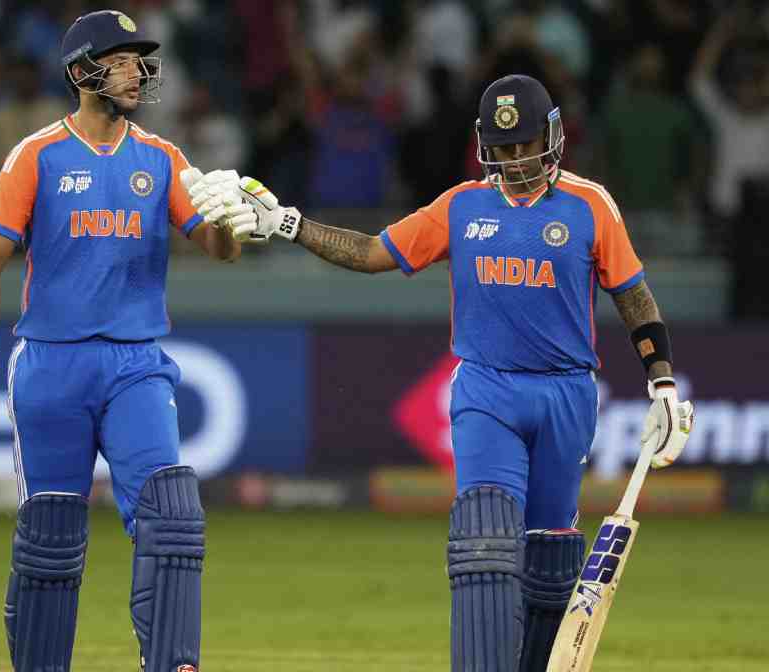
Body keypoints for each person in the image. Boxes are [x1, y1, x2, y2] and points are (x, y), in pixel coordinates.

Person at [189, 74, 695, 672]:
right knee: (484, 540)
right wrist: (291, 225)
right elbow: (374, 252)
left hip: (567, 395)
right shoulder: (461, 205)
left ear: (553, 138)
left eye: (526, 145)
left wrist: (661, 380)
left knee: (552, 561)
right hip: (487, 390)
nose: (515, 160)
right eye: (503, 149)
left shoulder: (590, 205)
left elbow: (633, 295)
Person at [0, 10, 254, 672]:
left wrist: (229, 220)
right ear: (83, 71)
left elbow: (219, 251)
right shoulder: (38, 154)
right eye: (122, 59)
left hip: (137, 364)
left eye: (140, 60)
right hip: (51, 367)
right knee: (51, 537)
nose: (138, 71)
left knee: (173, 517)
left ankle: (173, 664)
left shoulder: (164, 159)